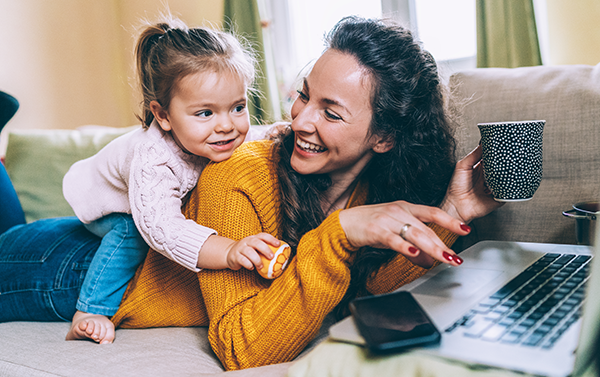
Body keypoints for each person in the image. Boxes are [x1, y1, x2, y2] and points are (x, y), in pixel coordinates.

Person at [0, 16, 500, 369]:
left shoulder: (366, 189)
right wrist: (337, 237)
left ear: (384, 137)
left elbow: (373, 291)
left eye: (330, 111)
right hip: (63, 268)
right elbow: (242, 346)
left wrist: (450, 214)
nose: (300, 118)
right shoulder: (236, 171)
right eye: (305, 94)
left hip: (74, 257)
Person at [39, 18, 283, 345]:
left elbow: (254, 134)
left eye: (237, 107)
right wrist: (228, 251)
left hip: (144, 195)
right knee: (131, 234)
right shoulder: (153, 159)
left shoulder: (220, 135)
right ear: (163, 115)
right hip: (105, 202)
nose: (227, 125)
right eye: (206, 113)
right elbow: (162, 230)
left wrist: (279, 133)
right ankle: (90, 309)